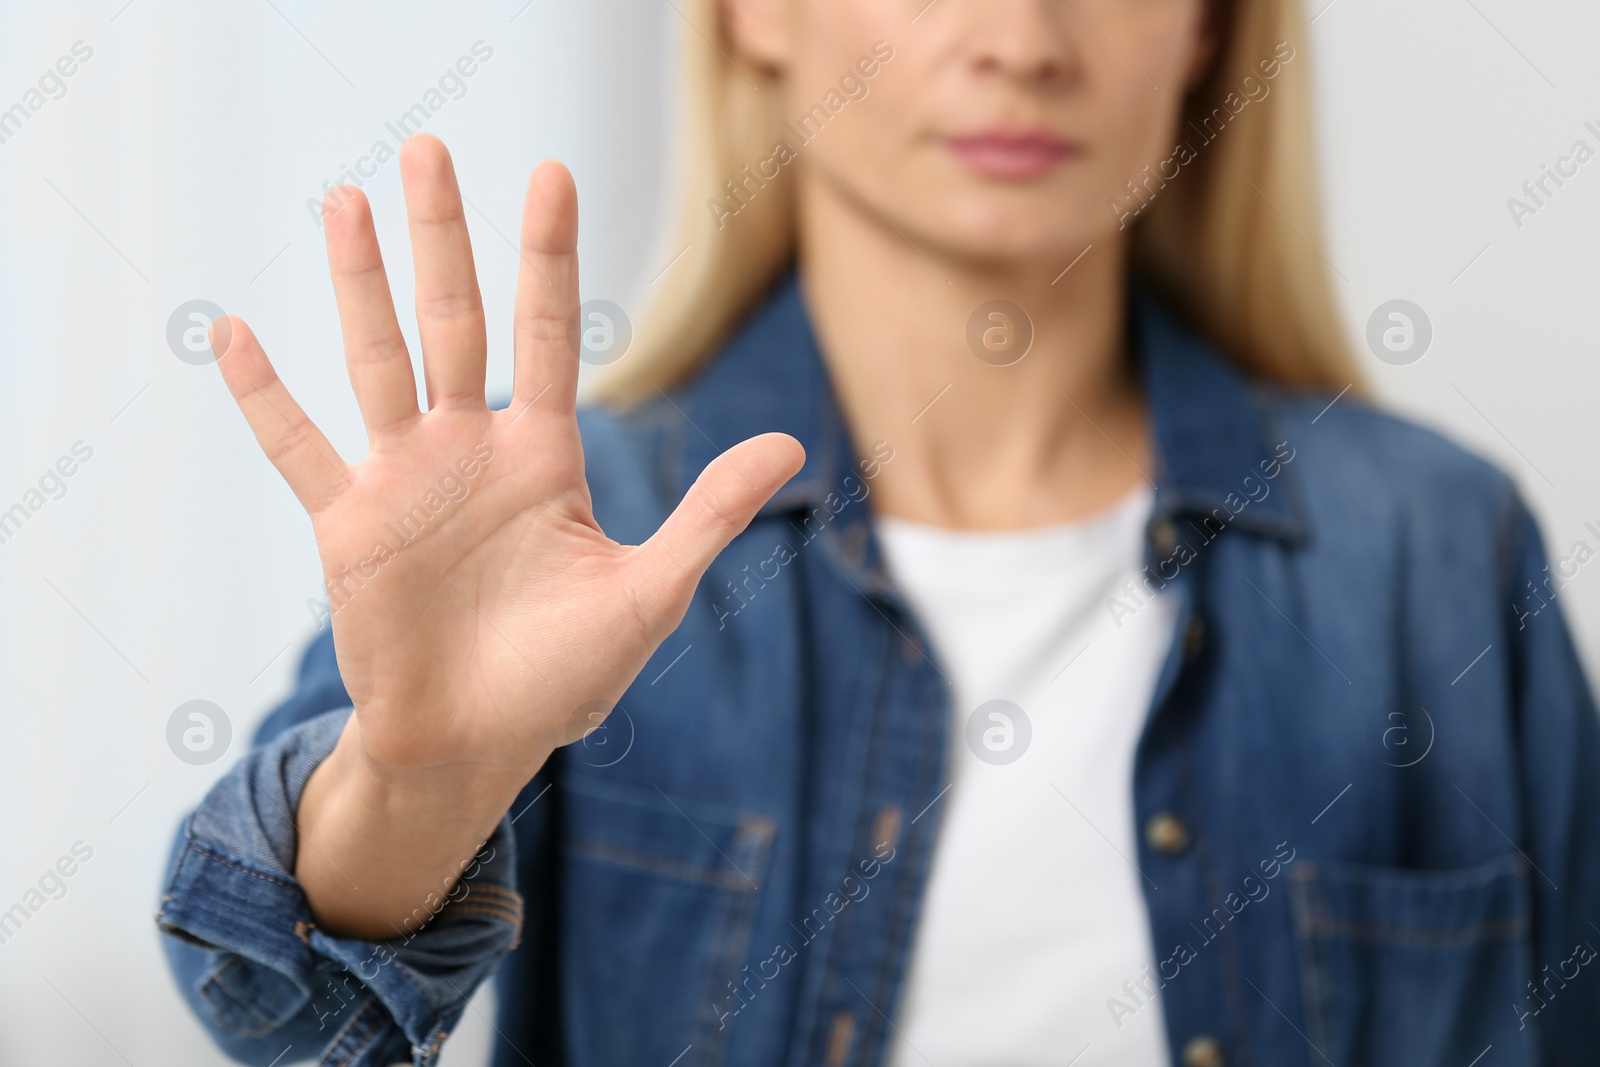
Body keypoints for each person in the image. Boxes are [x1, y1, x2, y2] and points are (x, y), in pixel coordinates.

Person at [157, 0, 1600, 1064]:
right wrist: (418, 784)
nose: (1028, 36)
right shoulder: (578, 533)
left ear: (1212, 31)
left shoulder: (1435, 547)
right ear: (751, 17)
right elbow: (275, 1005)